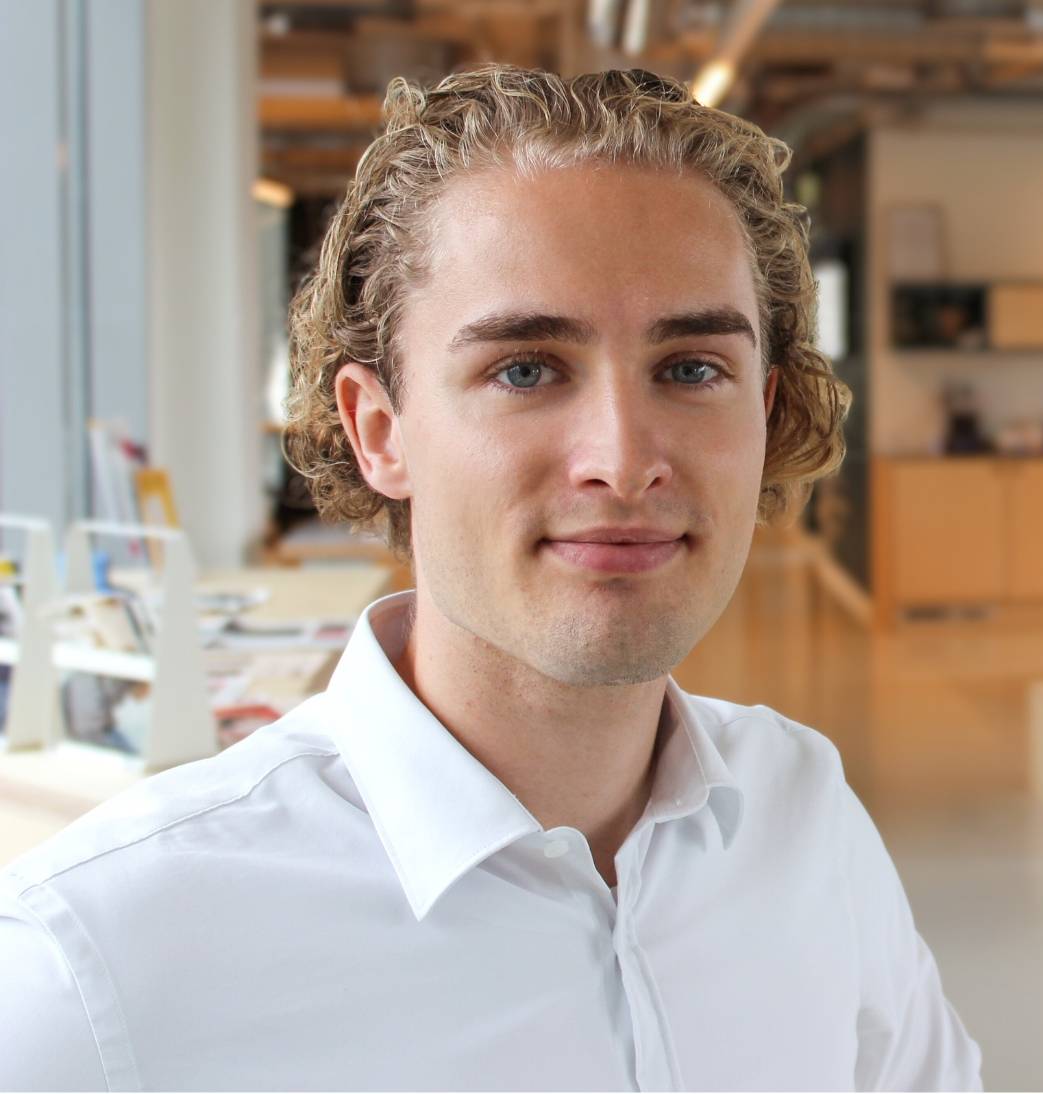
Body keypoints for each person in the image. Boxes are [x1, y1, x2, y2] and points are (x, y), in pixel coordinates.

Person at [0, 65, 982, 1091]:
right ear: (378, 431)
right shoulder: (95, 972)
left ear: (762, 408)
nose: (622, 455)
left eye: (691, 368)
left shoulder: (804, 817)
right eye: (525, 369)